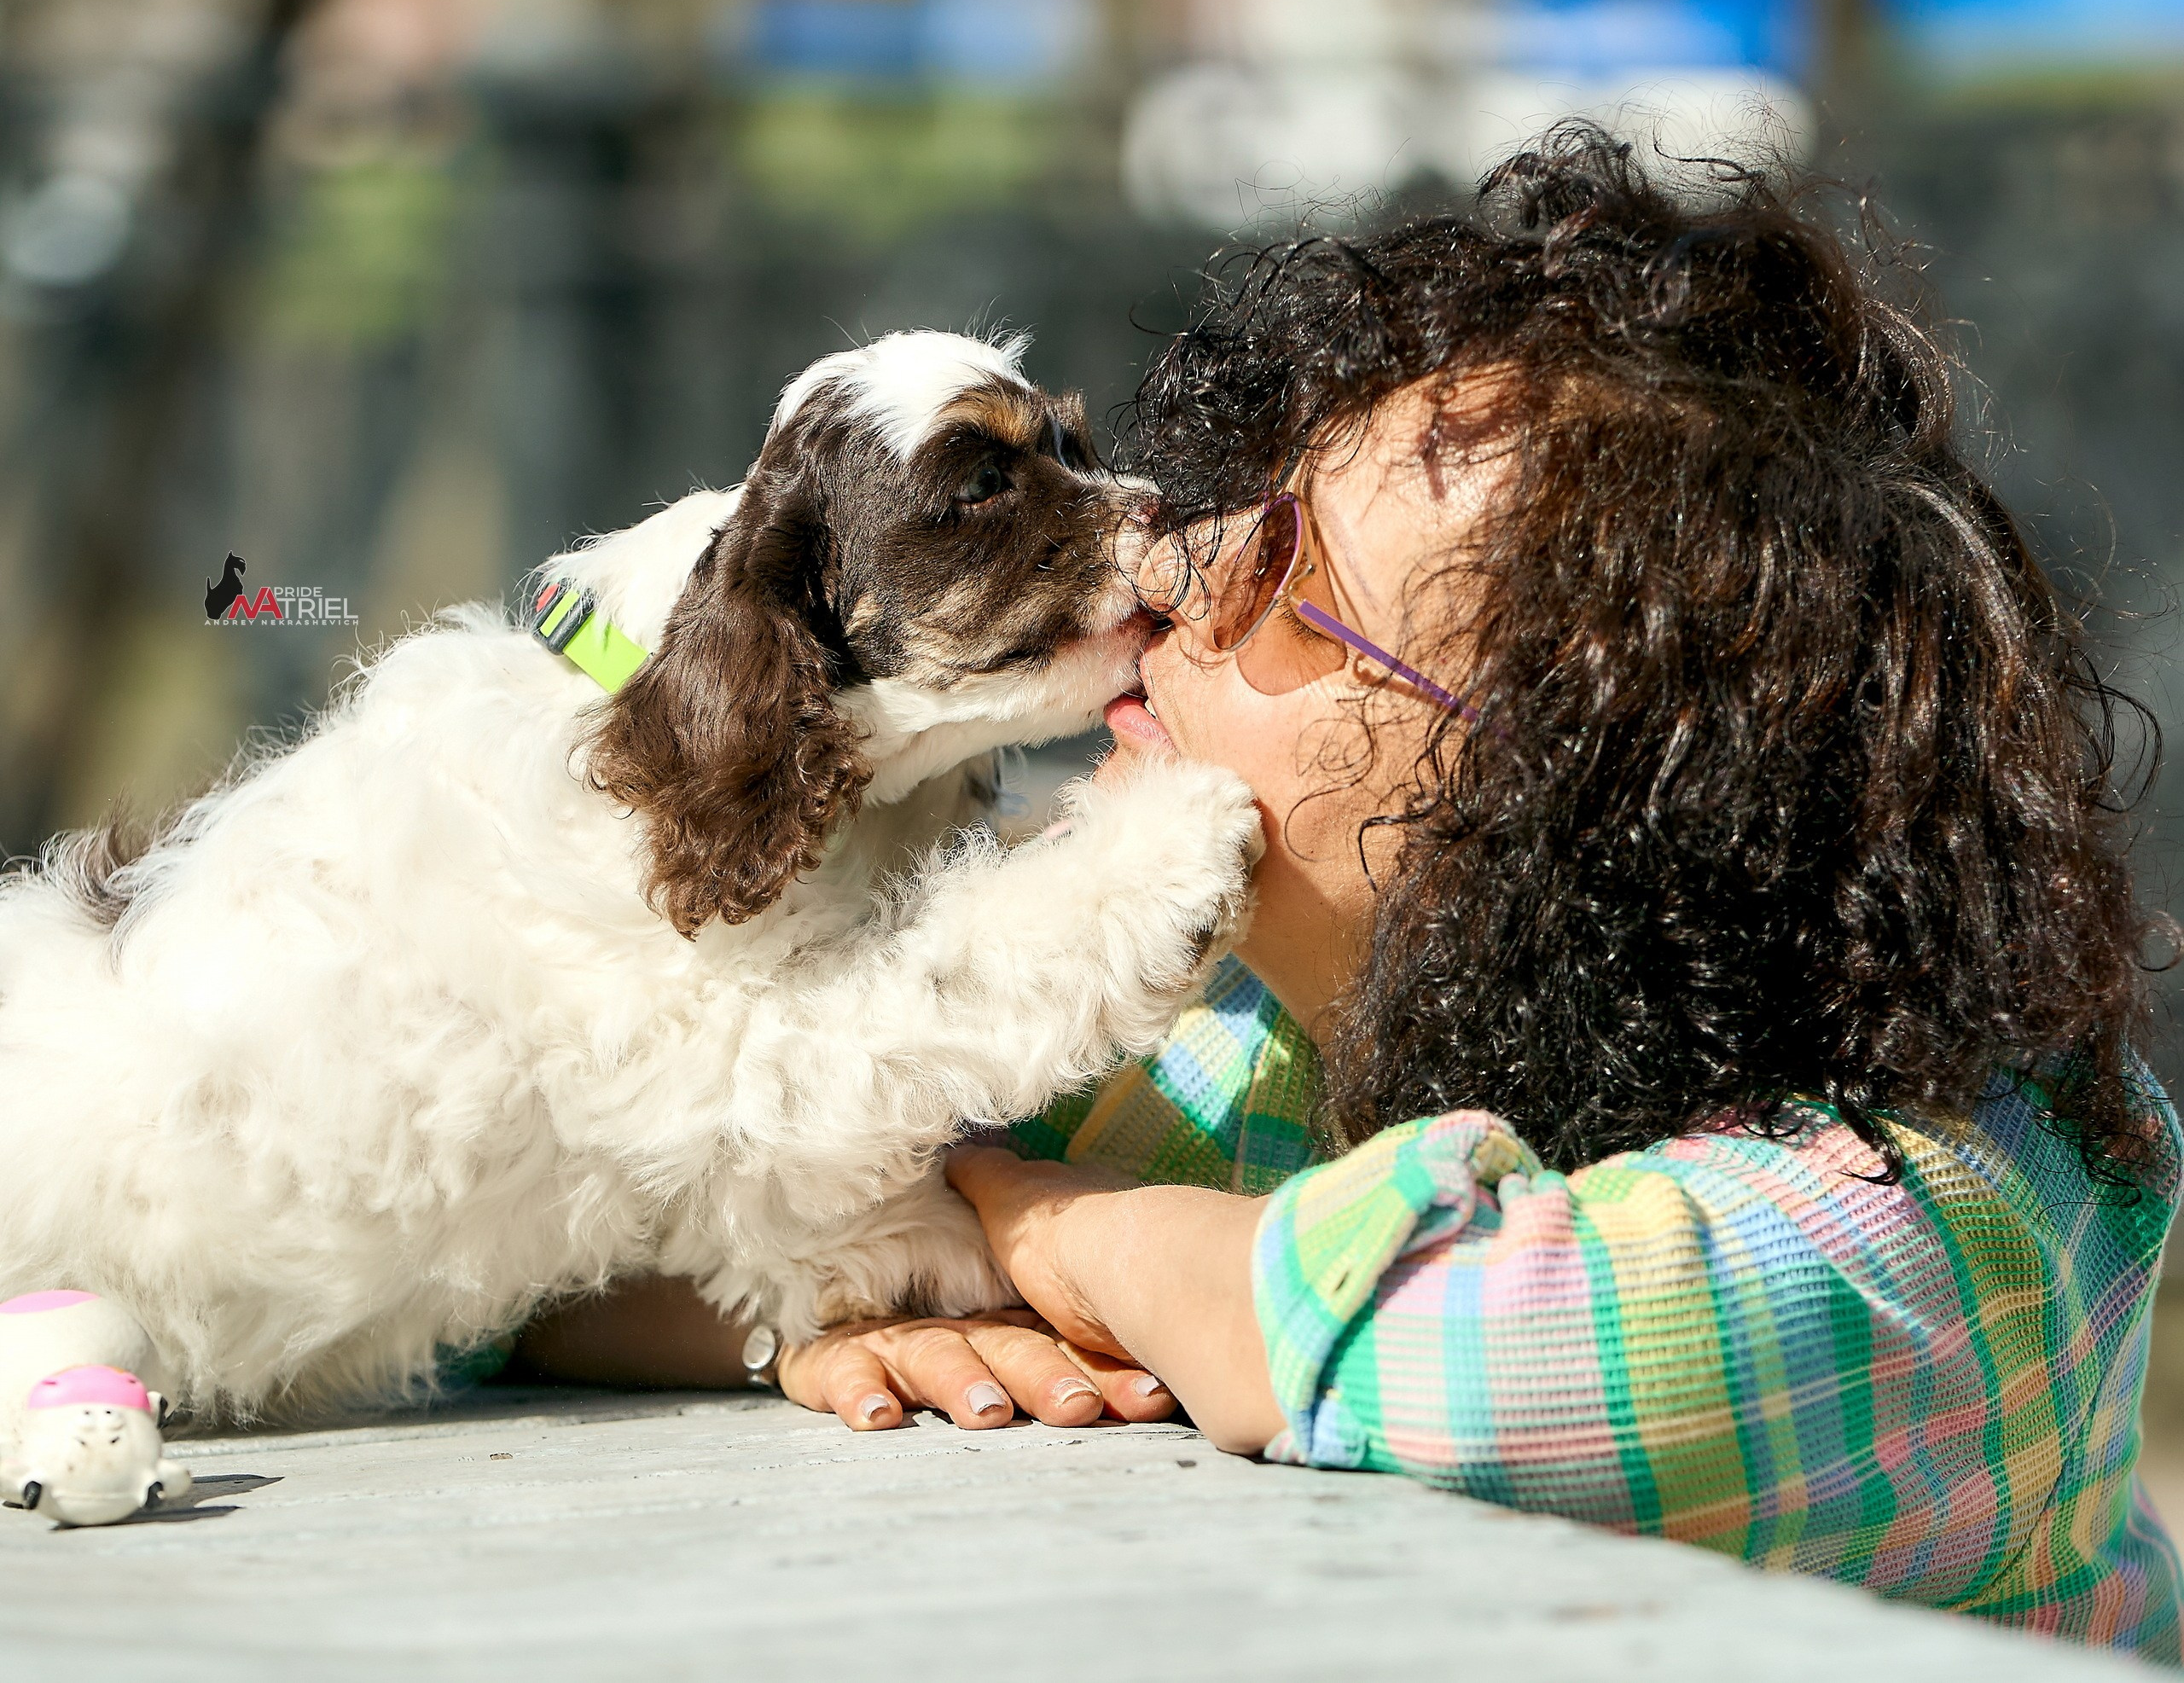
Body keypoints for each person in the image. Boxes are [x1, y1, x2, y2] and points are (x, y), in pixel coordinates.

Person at [515, 129, 2181, 1660]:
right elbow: (545, 1277)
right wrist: (822, 1317)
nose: (1162, 583)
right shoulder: (1227, 1039)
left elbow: (1456, 1339)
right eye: (1237, 521)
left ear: (1562, 795)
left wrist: (1029, 1228)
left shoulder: (1958, 1201)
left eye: (1290, 592)